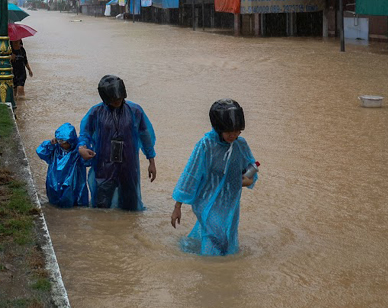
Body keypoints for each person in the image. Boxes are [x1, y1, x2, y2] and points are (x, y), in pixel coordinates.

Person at [170, 99, 259, 256]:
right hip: (206, 201)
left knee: (227, 237)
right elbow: (190, 176)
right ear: (218, 129)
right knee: (215, 237)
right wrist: (177, 207)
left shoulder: (240, 145)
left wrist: (245, 180)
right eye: (229, 132)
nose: (233, 135)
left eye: (237, 131)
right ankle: (210, 270)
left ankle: (214, 266)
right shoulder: (205, 146)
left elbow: (251, 173)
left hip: (229, 203)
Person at [77, 75, 158, 211]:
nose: (117, 101)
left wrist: (151, 162)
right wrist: (82, 147)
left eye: (119, 98)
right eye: (113, 100)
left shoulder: (135, 111)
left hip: (128, 165)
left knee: (130, 207)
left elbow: (146, 136)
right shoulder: (96, 112)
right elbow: (85, 133)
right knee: (100, 207)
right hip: (104, 165)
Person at [36, 123, 90, 208]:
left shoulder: (78, 150)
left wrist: (83, 150)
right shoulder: (55, 148)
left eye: (64, 142)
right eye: (59, 141)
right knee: (54, 204)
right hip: (54, 183)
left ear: (71, 141)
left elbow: (88, 161)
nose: (61, 144)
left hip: (73, 185)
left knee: (74, 204)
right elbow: (40, 151)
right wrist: (50, 143)